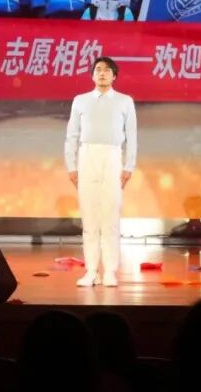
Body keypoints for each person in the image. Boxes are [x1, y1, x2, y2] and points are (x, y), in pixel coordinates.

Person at [64, 56, 137, 288]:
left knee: (110, 216)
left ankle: (110, 271)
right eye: (97, 69)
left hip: (112, 156)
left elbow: (132, 136)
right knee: (90, 217)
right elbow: (72, 135)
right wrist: (71, 166)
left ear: (114, 76)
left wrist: (129, 166)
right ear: (92, 75)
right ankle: (91, 271)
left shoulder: (125, 101)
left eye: (107, 70)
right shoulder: (80, 101)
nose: (102, 73)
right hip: (87, 156)